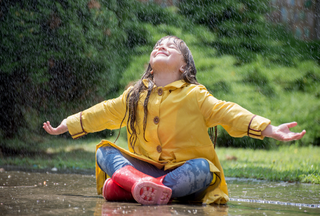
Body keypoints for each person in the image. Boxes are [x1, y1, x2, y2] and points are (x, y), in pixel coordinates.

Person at [43, 36, 306, 205]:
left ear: (184, 67)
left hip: (182, 175)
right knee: (104, 152)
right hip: (143, 169)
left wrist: (269, 128)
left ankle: (141, 189)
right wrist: (68, 123)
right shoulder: (135, 95)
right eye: (158, 44)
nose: (162, 46)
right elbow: (103, 112)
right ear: (150, 62)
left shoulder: (195, 95)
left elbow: (228, 112)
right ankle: (139, 185)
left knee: (204, 169)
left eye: (172, 46)